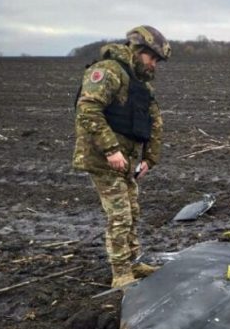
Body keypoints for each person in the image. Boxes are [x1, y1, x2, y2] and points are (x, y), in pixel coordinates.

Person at [72, 25, 171, 288]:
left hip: (124, 160)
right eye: (153, 58)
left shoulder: (140, 84)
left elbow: (154, 121)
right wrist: (111, 149)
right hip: (103, 159)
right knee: (120, 215)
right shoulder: (108, 71)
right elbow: (88, 108)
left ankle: (134, 262)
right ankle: (121, 274)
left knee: (133, 211)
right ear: (138, 51)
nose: (155, 65)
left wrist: (150, 158)